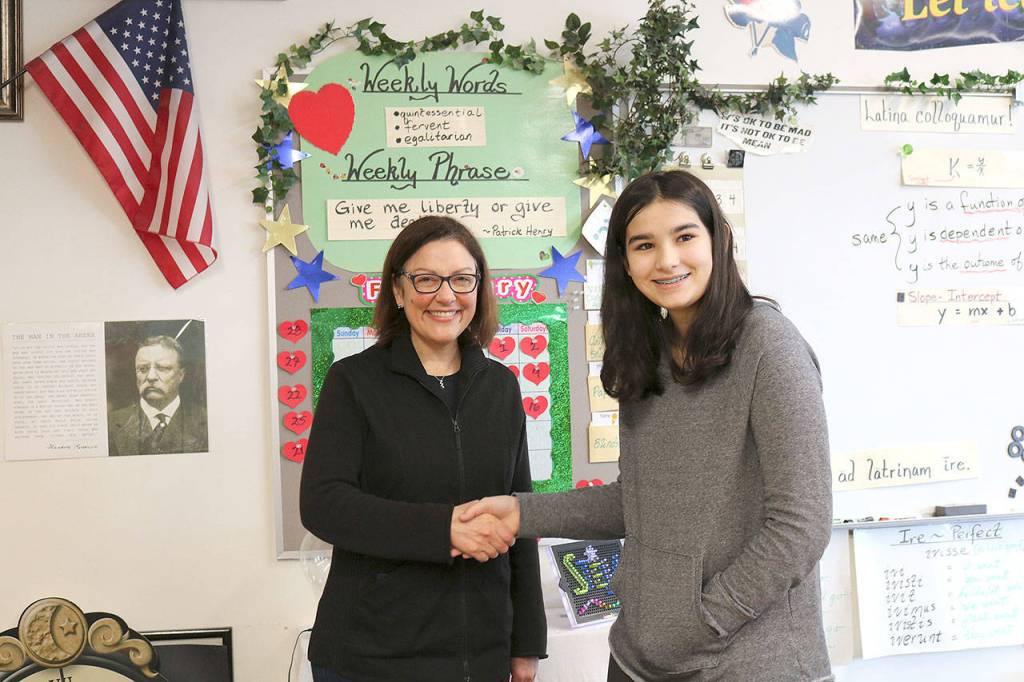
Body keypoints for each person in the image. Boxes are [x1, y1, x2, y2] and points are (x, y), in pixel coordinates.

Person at [463, 170, 833, 681]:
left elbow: (802, 526)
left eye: (685, 237)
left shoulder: (771, 347)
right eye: (644, 245)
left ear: (719, 241)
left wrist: (704, 619)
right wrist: (519, 515)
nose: (667, 260)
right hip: (639, 661)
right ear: (624, 263)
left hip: (746, 664)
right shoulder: (649, 354)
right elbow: (637, 500)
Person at [300, 216, 547, 682]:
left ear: (479, 288)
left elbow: (520, 514)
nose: (446, 296)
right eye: (426, 279)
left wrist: (526, 643)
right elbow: (322, 504)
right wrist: (442, 529)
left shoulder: (501, 386)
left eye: (461, 279)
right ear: (397, 290)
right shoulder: (353, 381)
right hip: (371, 654)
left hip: (480, 655)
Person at [108, 335, 207, 456]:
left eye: (162, 368)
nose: (151, 377)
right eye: (143, 369)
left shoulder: (205, 421)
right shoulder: (111, 424)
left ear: (181, 375)